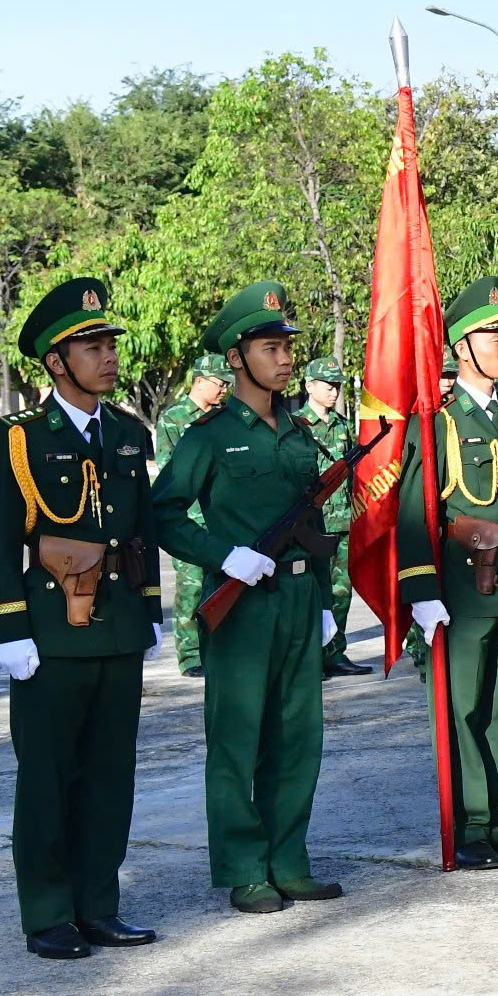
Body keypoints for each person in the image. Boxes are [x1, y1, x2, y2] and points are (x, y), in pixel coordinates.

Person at [150, 280, 346, 914]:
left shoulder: (297, 431)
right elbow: (165, 514)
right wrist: (220, 555)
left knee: (298, 737)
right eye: (270, 347)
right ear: (236, 358)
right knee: (238, 739)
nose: (286, 357)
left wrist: (320, 600)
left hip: (295, 599)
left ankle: (289, 861)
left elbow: (311, 520)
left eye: (287, 345)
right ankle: (244, 868)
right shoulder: (210, 436)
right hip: (240, 602)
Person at [0, 276, 163, 959]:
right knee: (48, 776)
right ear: (56, 362)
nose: (108, 355)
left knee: (110, 775)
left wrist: (148, 611)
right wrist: (10, 628)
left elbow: (139, 530)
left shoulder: (123, 432)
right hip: (51, 631)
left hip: (115, 624)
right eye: (92, 345)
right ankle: (49, 913)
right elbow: (1, 540)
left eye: (110, 342)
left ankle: (98, 905)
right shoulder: (21, 439)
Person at [395, 277, 498, 868]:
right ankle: (467, 825)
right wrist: (420, 590)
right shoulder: (437, 422)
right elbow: (416, 509)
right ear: (463, 347)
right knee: (463, 708)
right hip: (462, 592)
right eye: (494, 336)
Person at [157, 352, 230, 677]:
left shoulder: (222, 418)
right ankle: (189, 656)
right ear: (200, 381)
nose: (224, 389)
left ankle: (218, 649)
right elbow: (169, 472)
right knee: (190, 587)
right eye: (220, 383)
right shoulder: (173, 418)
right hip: (188, 520)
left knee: (220, 587)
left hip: (219, 520)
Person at [298, 356, 368, 678]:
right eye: (328, 385)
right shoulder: (296, 424)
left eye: (338, 386)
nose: (334, 391)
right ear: (309, 386)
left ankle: (334, 652)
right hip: (313, 525)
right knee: (312, 593)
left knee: (341, 591)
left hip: (343, 522)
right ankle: (310, 657)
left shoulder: (341, 425)